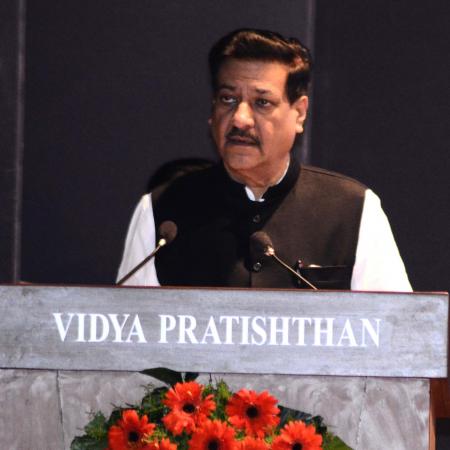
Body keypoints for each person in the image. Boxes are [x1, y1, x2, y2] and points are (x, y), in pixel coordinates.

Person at [117, 28, 411, 291]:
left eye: (262, 103)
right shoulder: (162, 211)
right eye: (228, 99)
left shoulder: (352, 209)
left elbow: (394, 326)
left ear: (299, 113)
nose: (240, 119)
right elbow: (127, 327)